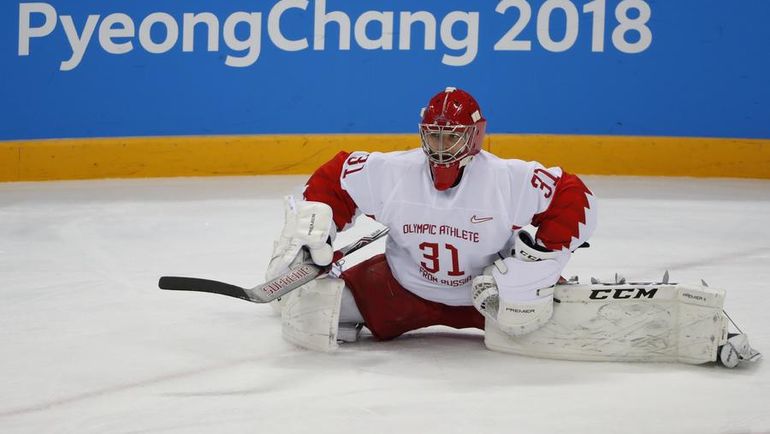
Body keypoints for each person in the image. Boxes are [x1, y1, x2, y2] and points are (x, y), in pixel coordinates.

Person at [266, 87, 597, 352]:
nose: (441, 146)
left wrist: (539, 266)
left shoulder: (504, 178)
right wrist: (313, 233)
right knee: (307, 310)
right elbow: (335, 178)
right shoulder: (396, 173)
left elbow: (572, 195)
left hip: (490, 294)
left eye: (452, 136)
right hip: (401, 288)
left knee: (559, 318)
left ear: (475, 136)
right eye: (435, 136)